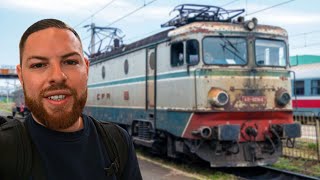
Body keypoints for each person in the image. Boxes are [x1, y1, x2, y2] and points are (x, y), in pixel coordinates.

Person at [1, 18, 142, 180]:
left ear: (87, 69)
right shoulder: (4, 149)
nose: (57, 76)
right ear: (21, 76)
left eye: (70, 62)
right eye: (38, 65)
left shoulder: (118, 142)